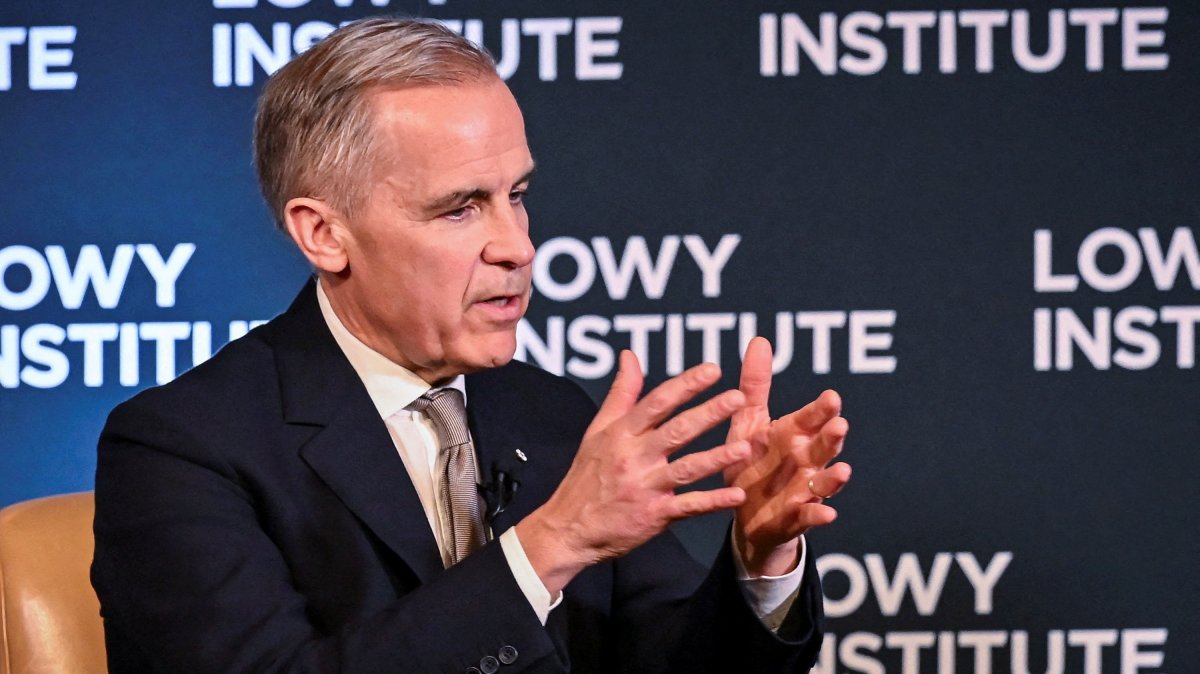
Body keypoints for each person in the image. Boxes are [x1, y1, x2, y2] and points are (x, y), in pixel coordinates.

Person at [92, 17, 852, 674]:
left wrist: (760, 563)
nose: (517, 246)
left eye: (516, 196)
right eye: (460, 209)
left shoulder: (545, 412)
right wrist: (551, 542)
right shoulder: (179, 450)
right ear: (324, 234)